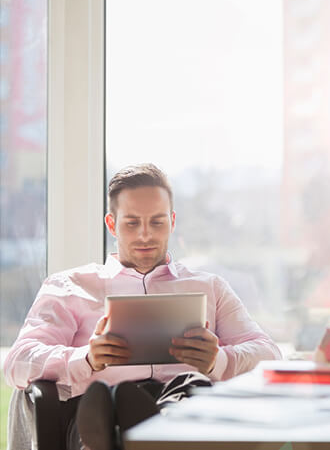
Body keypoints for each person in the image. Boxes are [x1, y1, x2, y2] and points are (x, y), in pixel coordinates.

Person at [3, 163, 282, 450]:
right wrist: (86, 358)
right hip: (97, 418)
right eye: (132, 223)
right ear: (112, 224)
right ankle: (131, 425)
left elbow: (269, 355)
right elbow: (18, 362)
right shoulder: (69, 286)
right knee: (114, 406)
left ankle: (144, 427)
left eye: (157, 222)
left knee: (189, 386)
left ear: (172, 222)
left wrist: (218, 360)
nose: (145, 235)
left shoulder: (210, 287)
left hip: (187, 408)